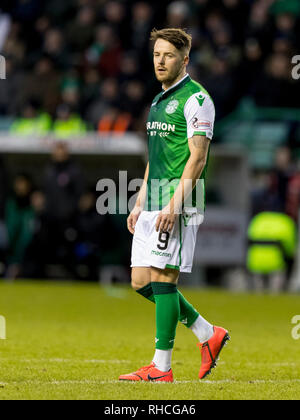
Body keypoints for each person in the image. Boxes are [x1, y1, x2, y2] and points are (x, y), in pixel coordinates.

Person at [119, 28, 229, 383]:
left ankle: (161, 368)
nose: (160, 61)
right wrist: (139, 201)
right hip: (152, 200)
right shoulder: (157, 100)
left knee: (164, 278)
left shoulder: (197, 99)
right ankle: (206, 333)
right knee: (140, 281)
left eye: (167, 55)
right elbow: (156, 155)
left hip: (179, 200)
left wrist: (174, 205)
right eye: (156, 55)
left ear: (185, 59)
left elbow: (197, 158)